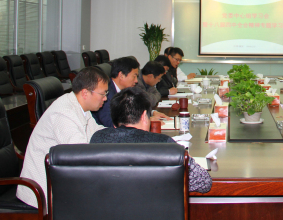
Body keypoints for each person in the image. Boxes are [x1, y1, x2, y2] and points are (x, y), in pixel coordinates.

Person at [16, 67, 109, 208]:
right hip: (42, 192)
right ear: (85, 93)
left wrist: (122, 136)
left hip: (60, 179)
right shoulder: (64, 113)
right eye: (103, 94)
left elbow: (97, 133)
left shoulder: (80, 107)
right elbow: (80, 156)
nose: (105, 98)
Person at [90, 88, 212, 193]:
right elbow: (204, 182)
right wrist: (185, 157)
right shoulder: (163, 144)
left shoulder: (98, 139)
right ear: (144, 116)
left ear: (114, 121)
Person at [92, 56, 139, 127]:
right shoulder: (107, 93)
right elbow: (109, 122)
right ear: (121, 75)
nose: (136, 81)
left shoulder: (124, 90)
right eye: (134, 76)